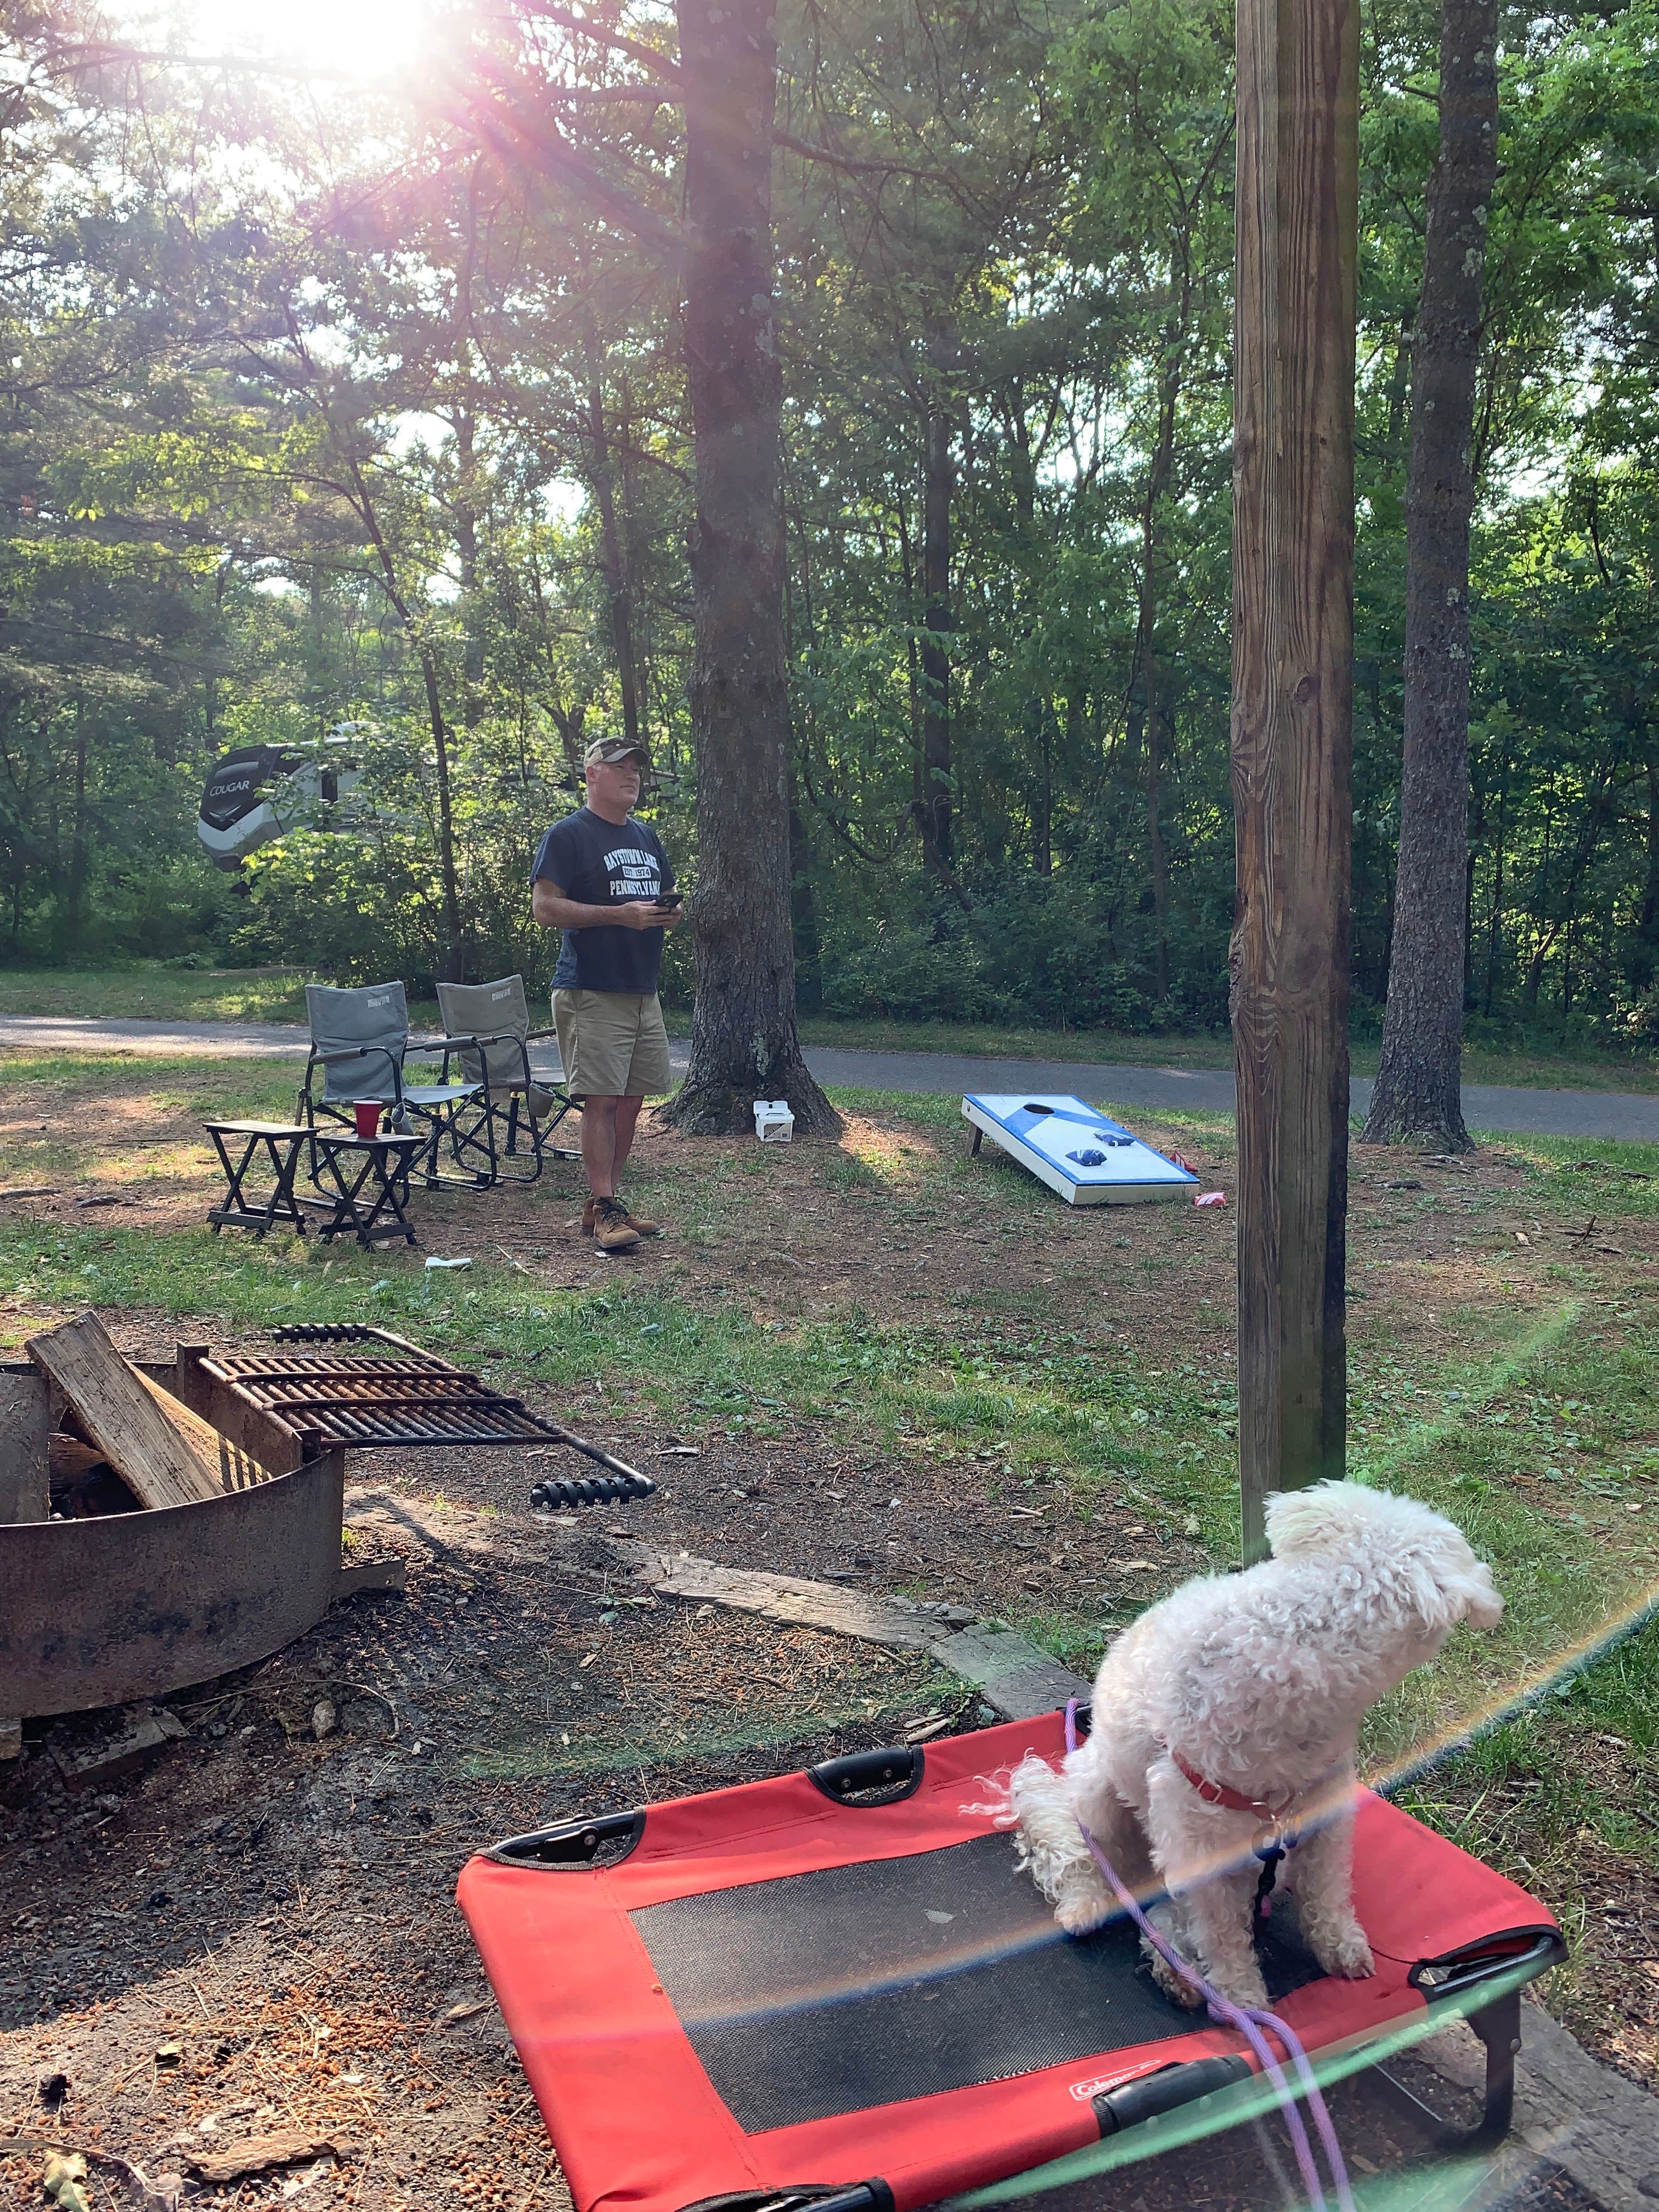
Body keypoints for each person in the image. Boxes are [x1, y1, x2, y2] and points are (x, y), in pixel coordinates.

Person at [531, 735, 682, 1253]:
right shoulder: (568, 835)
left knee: (631, 1101)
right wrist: (620, 915)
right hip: (590, 988)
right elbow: (545, 908)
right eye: (620, 767)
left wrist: (666, 914)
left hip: (642, 988)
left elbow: (659, 898)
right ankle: (604, 1206)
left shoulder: (646, 836)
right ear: (592, 774)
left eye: (637, 768)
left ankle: (606, 1204)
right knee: (601, 1100)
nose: (632, 775)